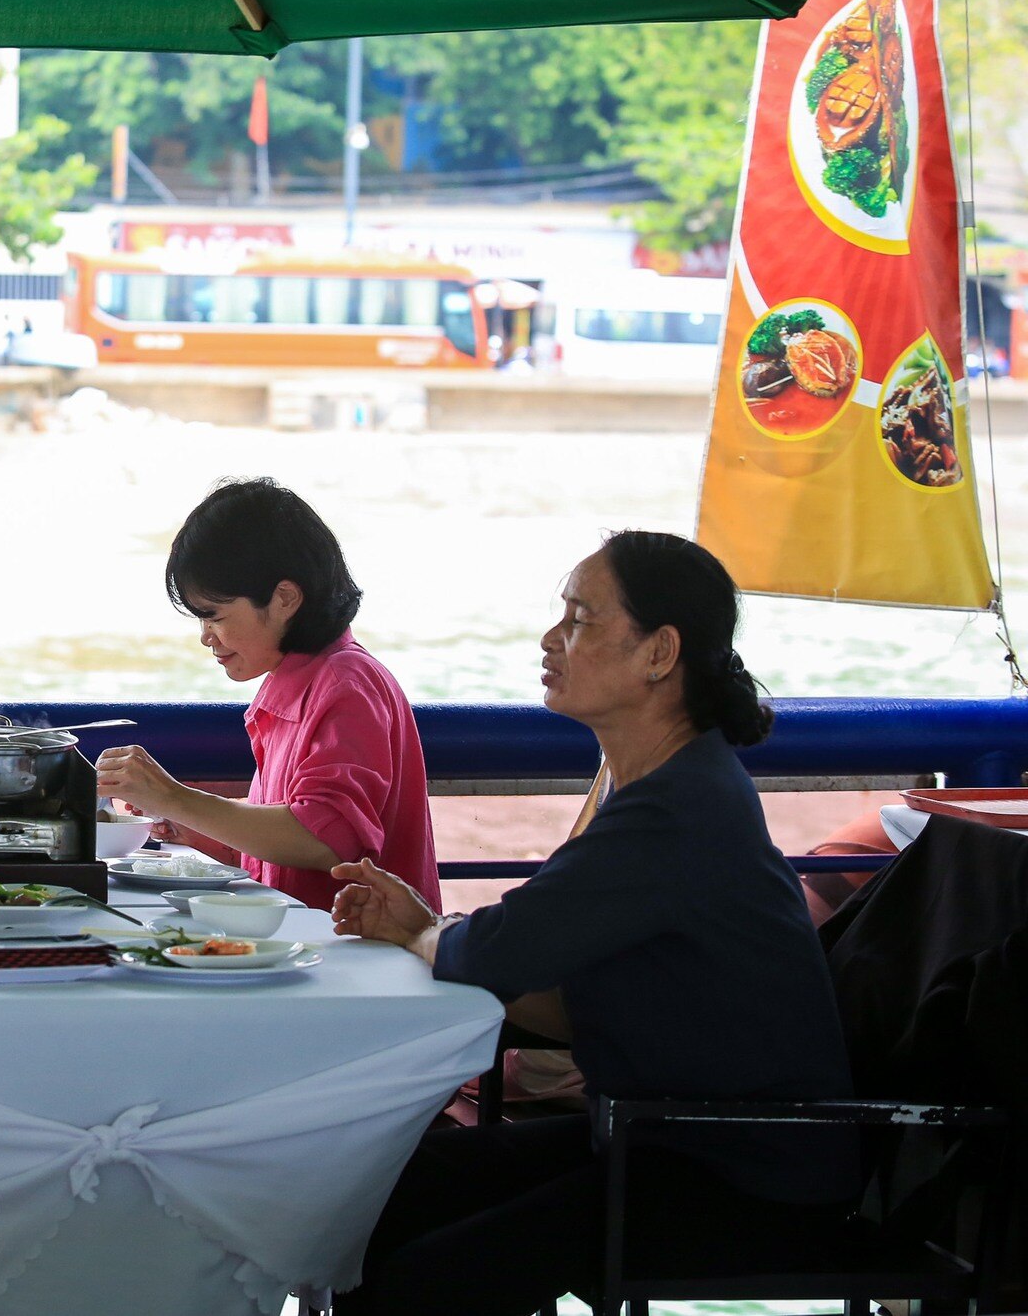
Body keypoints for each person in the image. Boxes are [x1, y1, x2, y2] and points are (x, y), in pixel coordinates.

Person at [330, 531, 856, 1316]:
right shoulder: (665, 783)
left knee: (425, 1278)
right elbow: (571, 996)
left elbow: (500, 946)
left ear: (659, 652)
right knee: (375, 1196)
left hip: (745, 1166)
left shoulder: (679, 806)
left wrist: (419, 929)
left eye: (578, 618)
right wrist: (429, 931)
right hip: (657, 1134)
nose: (551, 638)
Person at [96, 478, 438, 911]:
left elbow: (327, 840)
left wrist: (174, 797)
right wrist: (198, 829)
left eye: (214, 616)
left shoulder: (348, 683)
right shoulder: (291, 682)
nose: (206, 637)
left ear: (285, 598)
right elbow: (291, 854)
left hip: (368, 956)